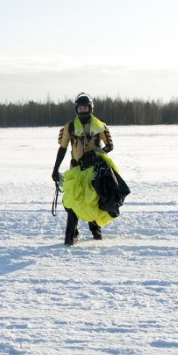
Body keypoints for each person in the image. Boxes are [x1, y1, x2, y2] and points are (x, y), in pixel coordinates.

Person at [51, 92, 115, 245]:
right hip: (76, 170)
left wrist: (98, 153)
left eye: (85, 108)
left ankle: (95, 228)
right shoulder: (70, 127)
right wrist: (55, 169)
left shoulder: (100, 126)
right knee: (72, 201)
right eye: (80, 108)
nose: (83, 111)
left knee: (93, 200)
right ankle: (71, 235)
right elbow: (62, 148)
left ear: (91, 108)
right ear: (76, 109)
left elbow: (110, 146)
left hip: (94, 169)